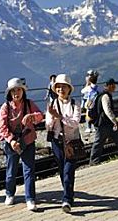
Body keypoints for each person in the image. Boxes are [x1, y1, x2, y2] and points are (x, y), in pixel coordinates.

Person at [0, 77, 44, 211]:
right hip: (11, 143)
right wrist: (11, 140)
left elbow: (40, 116)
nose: (16, 93)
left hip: (27, 141)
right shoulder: (5, 107)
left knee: (29, 171)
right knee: (11, 171)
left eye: (18, 90)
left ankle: (30, 198)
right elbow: (2, 127)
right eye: (13, 91)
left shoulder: (29, 104)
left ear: (23, 91)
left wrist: (32, 116)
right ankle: (9, 193)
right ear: (9, 93)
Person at [45, 74, 82, 213]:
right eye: (58, 86)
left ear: (69, 89)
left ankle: (66, 199)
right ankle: (69, 194)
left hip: (71, 142)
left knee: (68, 171)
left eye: (64, 86)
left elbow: (75, 122)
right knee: (62, 169)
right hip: (57, 141)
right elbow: (48, 125)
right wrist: (53, 118)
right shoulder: (52, 104)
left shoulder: (75, 104)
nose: (61, 89)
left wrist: (59, 116)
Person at [89, 78, 118, 165]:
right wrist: (115, 121)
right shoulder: (105, 96)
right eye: (114, 85)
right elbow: (107, 110)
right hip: (104, 123)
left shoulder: (102, 95)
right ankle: (94, 161)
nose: (115, 87)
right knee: (99, 142)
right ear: (110, 86)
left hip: (106, 123)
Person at [80, 69, 100, 134]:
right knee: (95, 115)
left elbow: (82, 91)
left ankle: (88, 128)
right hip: (95, 103)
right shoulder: (97, 87)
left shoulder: (89, 87)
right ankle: (94, 127)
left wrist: (87, 83)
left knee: (88, 116)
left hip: (89, 103)